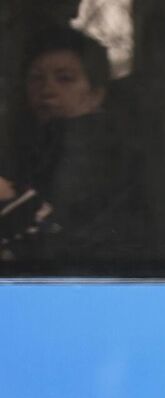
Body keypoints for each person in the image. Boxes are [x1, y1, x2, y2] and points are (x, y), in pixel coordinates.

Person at [0, 27, 140, 266]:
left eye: (65, 79)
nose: (47, 89)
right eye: (36, 78)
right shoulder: (29, 145)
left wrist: (11, 201)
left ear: (95, 94)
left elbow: (69, 249)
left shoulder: (107, 155)